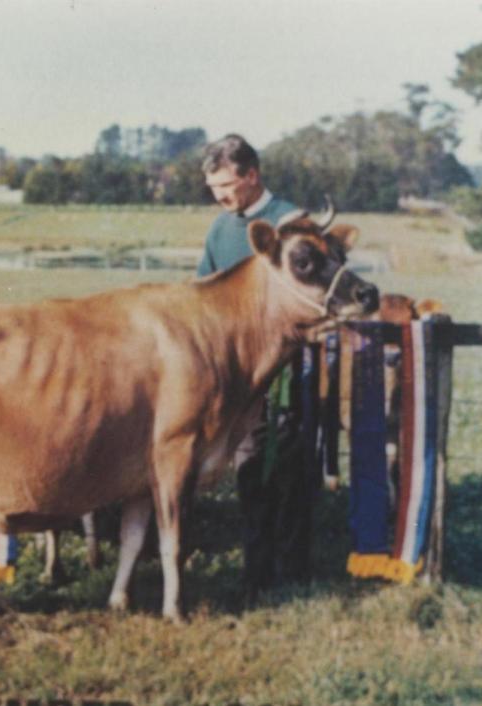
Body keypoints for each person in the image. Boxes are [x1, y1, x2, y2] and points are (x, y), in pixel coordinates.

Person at [196, 134, 314, 602]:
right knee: (249, 466)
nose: (221, 196)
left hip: (288, 370)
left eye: (227, 185)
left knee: (290, 466)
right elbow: (202, 291)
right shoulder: (220, 229)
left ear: (252, 176)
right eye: (213, 188)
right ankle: (256, 568)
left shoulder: (290, 222)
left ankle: (295, 570)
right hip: (240, 375)